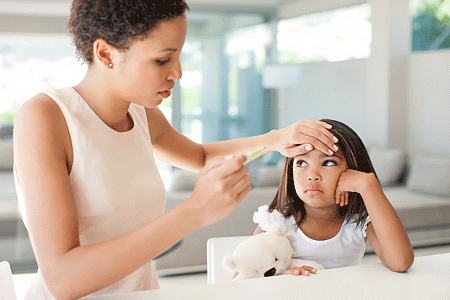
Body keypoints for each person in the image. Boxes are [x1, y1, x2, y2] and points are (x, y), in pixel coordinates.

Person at [12, 1, 339, 299]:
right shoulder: (46, 117)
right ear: (106, 54)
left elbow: (199, 157)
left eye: (179, 55)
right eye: (162, 59)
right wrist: (195, 211)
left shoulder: (140, 112)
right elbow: (63, 279)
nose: (178, 73)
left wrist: (274, 139)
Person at [252, 119, 414, 276]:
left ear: (352, 170)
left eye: (328, 163)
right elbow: (244, 275)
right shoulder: (276, 221)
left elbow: (401, 263)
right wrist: (277, 275)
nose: (312, 176)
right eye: (301, 163)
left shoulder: (359, 220)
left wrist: (368, 184)